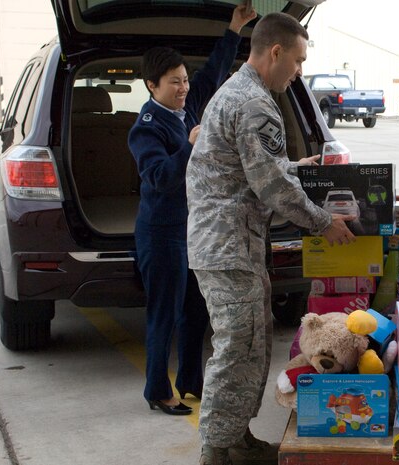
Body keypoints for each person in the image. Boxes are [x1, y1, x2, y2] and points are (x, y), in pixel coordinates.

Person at [185, 12, 356, 465]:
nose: (299, 70)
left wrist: (301, 168)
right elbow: (273, 187)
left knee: (253, 344)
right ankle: (216, 449)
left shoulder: (238, 92)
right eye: (298, 61)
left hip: (229, 244)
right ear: (275, 52)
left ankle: (236, 436)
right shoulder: (257, 104)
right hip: (228, 247)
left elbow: (255, 168)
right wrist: (323, 221)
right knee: (237, 347)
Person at [128, 4, 256, 416]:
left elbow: (214, 71)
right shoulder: (146, 127)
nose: (183, 88)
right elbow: (161, 177)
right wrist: (190, 143)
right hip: (161, 233)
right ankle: (156, 390)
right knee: (163, 315)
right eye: (173, 83)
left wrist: (234, 29)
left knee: (195, 311)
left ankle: (189, 381)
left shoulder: (187, 105)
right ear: (152, 85)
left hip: (190, 230)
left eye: (183, 80)